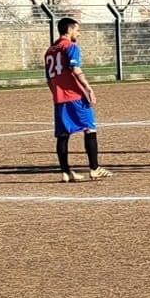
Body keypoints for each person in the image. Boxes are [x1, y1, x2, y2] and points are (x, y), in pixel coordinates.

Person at [45, 16, 109, 182]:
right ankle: (94, 168)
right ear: (70, 29)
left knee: (63, 135)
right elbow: (74, 68)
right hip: (74, 96)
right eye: (77, 30)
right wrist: (88, 87)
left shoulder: (50, 51)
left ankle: (65, 172)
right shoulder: (71, 46)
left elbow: (49, 79)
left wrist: (56, 94)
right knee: (90, 128)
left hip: (59, 99)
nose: (78, 34)